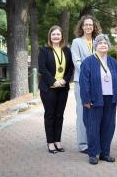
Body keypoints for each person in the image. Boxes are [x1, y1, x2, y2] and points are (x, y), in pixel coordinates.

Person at [79, 34, 117, 165]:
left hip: (110, 99)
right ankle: (93, 154)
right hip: (94, 100)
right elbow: (84, 82)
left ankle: (105, 153)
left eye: (105, 43)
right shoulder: (88, 62)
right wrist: (86, 100)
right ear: (95, 46)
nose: (103, 45)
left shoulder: (113, 62)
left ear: (108, 45)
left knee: (108, 127)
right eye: (100, 43)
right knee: (93, 127)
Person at [38, 25, 74, 154]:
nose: (56, 37)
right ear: (50, 36)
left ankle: (57, 141)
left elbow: (71, 68)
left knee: (59, 115)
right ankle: (50, 142)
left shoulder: (67, 50)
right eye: (53, 34)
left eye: (58, 34)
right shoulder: (44, 50)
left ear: (62, 36)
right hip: (49, 88)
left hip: (63, 88)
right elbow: (42, 68)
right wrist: (54, 81)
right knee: (50, 115)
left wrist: (65, 80)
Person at [71, 15, 101, 154]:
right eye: (86, 25)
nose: (88, 27)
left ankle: (94, 141)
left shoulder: (98, 41)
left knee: (95, 113)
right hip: (81, 82)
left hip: (97, 83)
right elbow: (76, 61)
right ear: (81, 27)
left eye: (91, 24)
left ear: (94, 27)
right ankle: (83, 144)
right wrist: (88, 73)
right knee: (83, 112)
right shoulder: (76, 42)